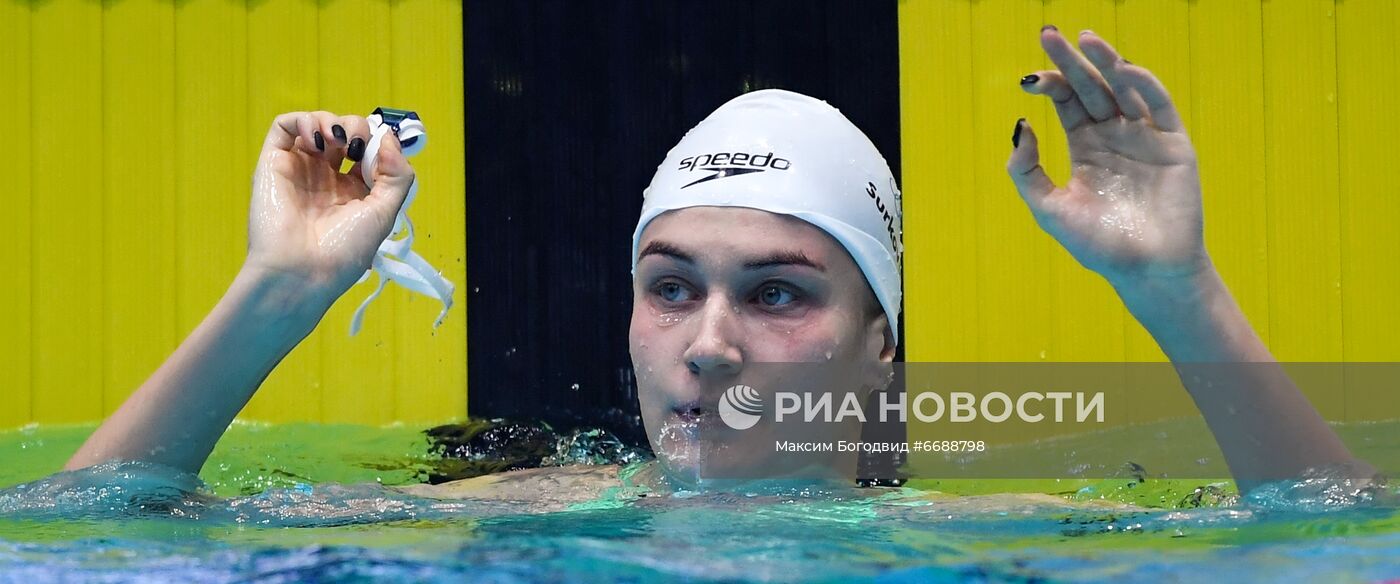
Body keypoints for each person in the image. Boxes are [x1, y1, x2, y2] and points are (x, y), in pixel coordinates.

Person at [64, 28, 1369, 498]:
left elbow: (1343, 542)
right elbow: (85, 538)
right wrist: (280, 289)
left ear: (883, 342)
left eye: (782, 292)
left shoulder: (998, 539)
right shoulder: (506, 529)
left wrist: (1173, 292)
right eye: (671, 284)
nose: (710, 344)